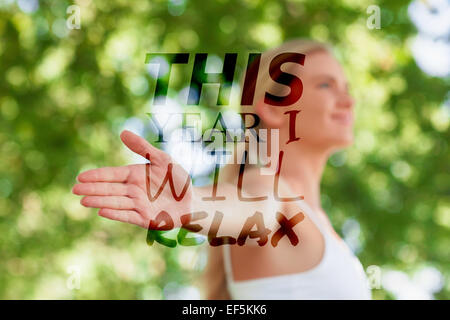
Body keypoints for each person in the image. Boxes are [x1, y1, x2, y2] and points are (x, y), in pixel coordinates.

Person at [72, 39, 371, 299]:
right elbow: (252, 210)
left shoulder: (324, 226)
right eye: (325, 85)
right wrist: (192, 203)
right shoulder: (267, 189)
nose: (349, 100)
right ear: (273, 108)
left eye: (346, 88)